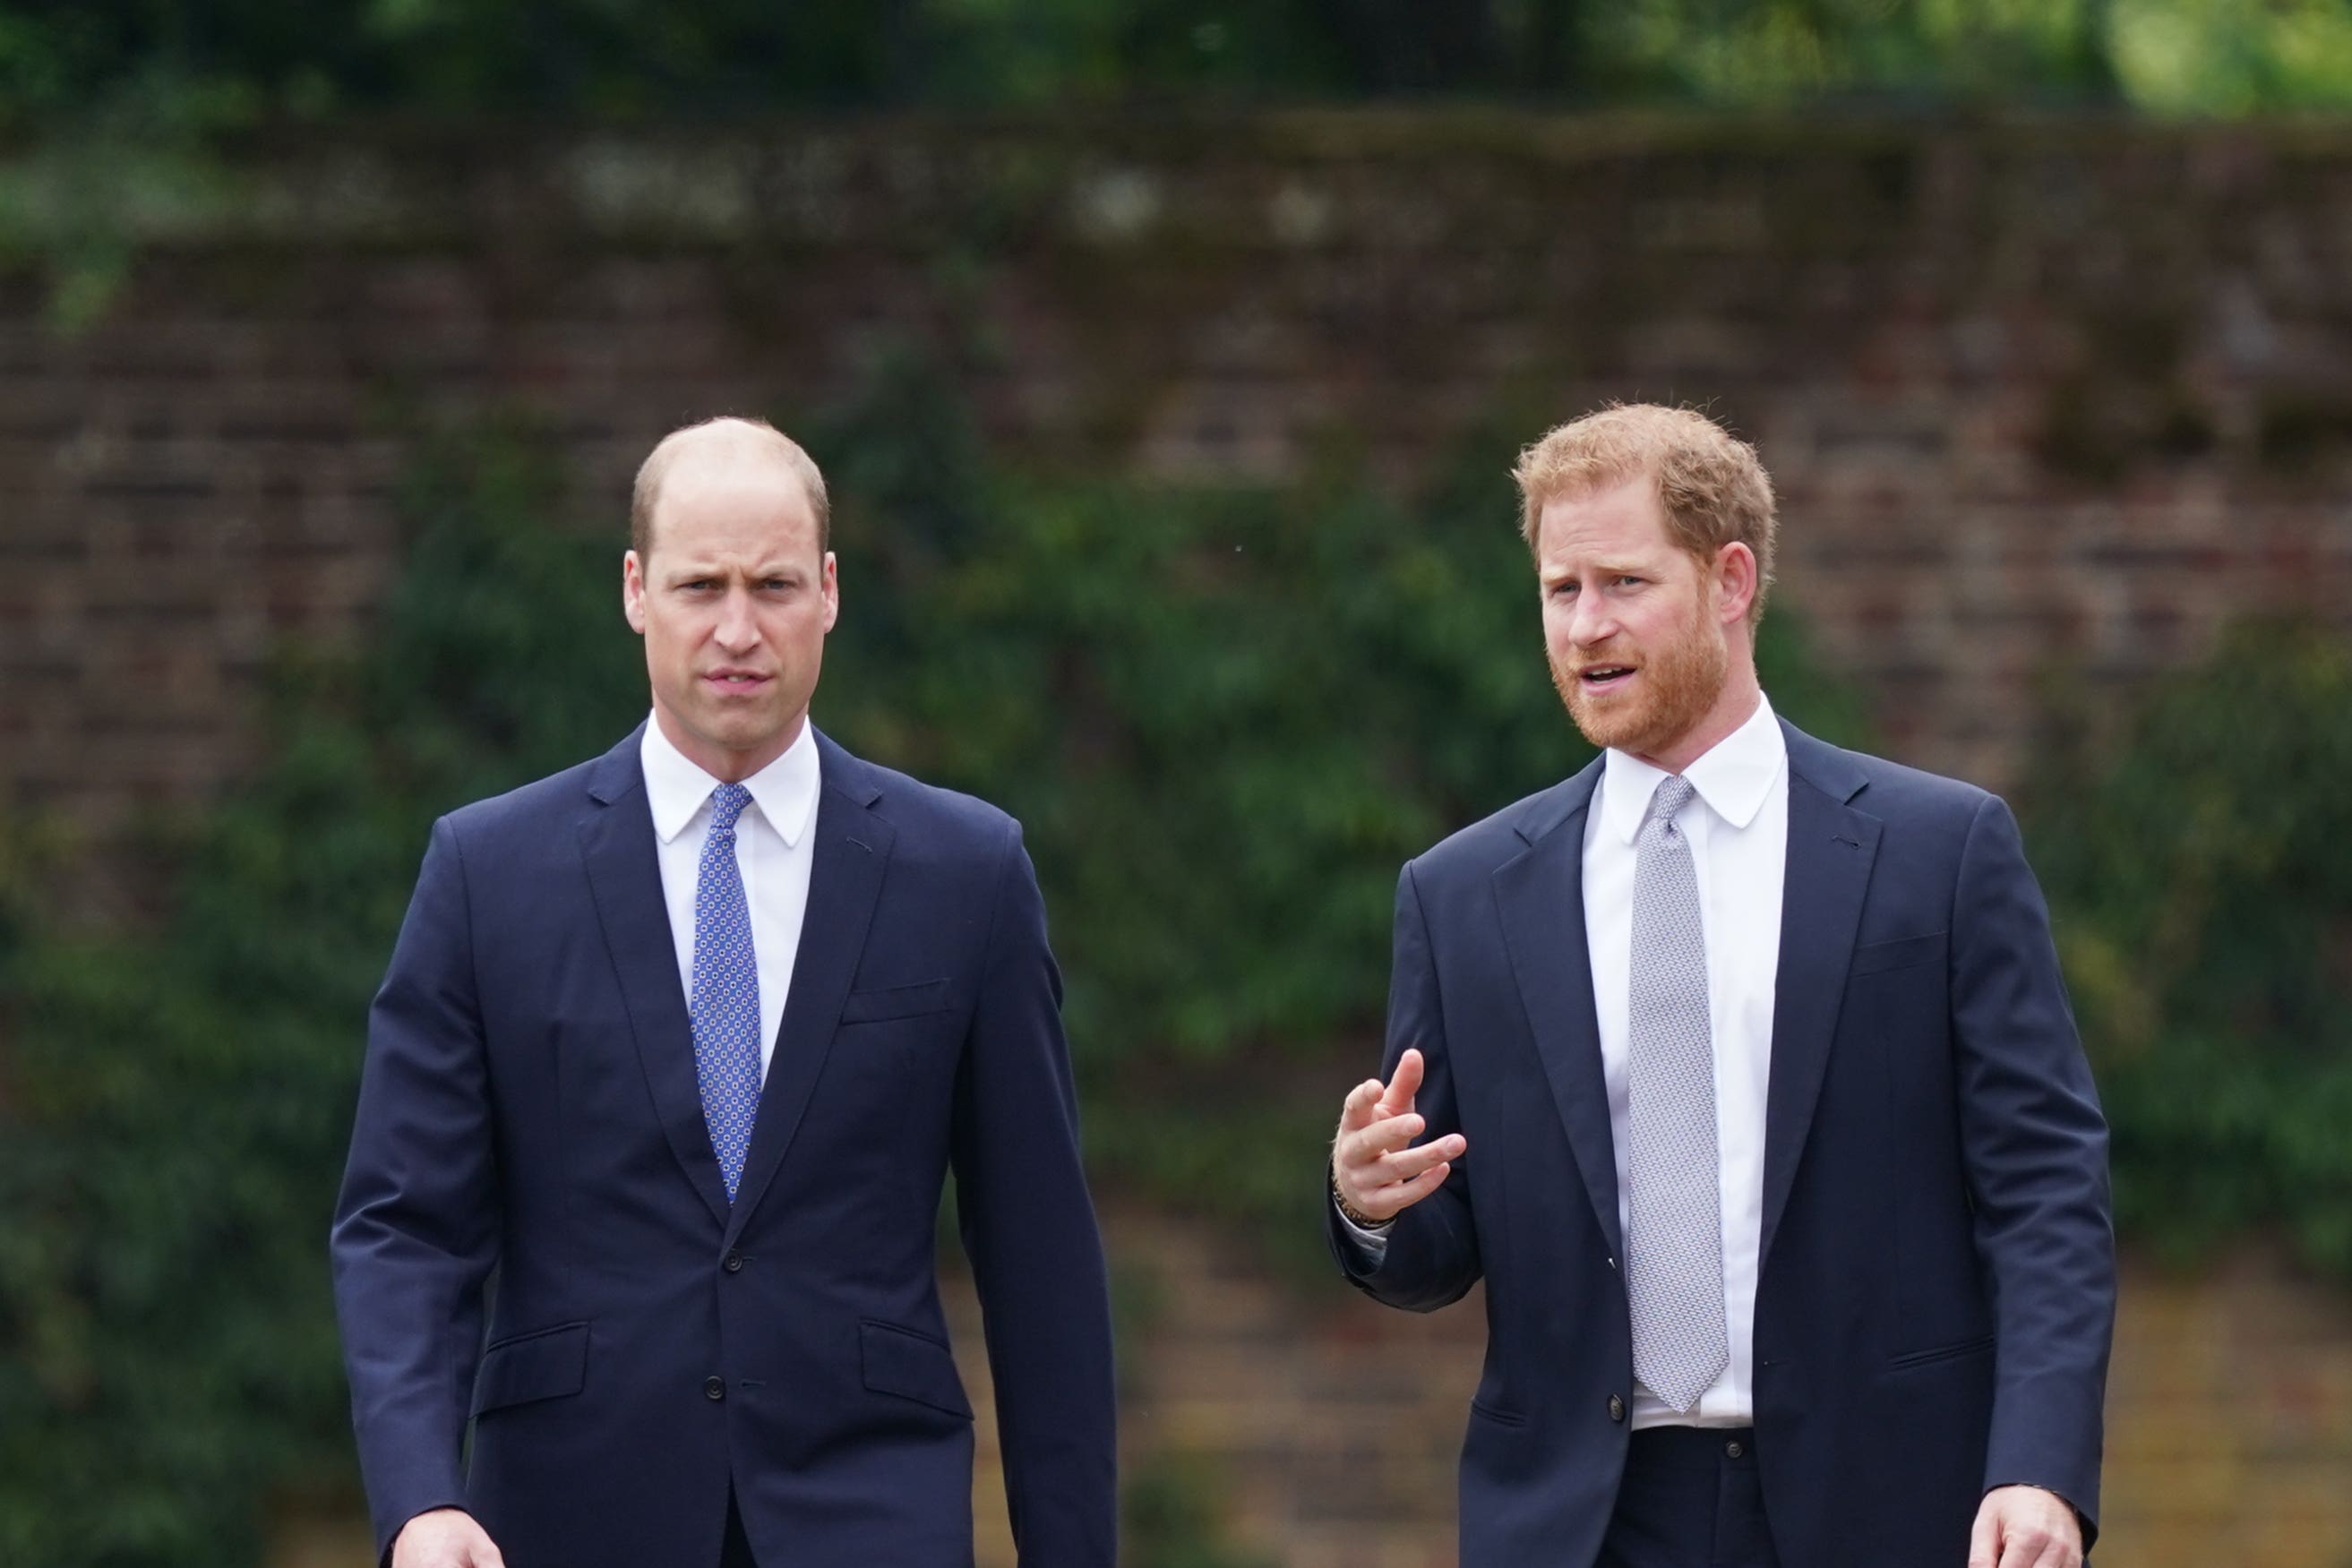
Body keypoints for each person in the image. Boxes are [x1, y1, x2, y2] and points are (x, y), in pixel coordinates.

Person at [1326, 405, 2113, 1568]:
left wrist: (2038, 1462)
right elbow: (1444, 1241)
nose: (1583, 625)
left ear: (1729, 578)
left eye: (1623, 582)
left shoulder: (1939, 853)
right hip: (1580, 1519)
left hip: (1887, 1502)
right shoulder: (1462, 894)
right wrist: (1373, 1204)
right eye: (1559, 589)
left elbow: (2044, 1188)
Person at [332, 417, 1115, 1568]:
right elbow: (406, 1226)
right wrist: (417, 1499)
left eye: (775, 584)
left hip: (869, 1513)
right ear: (637, 590)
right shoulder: (487, 873)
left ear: (831, 593)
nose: (738, 629)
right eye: (702, 585)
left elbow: (1041, 1258)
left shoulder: (966, 872)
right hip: (566, 1514)